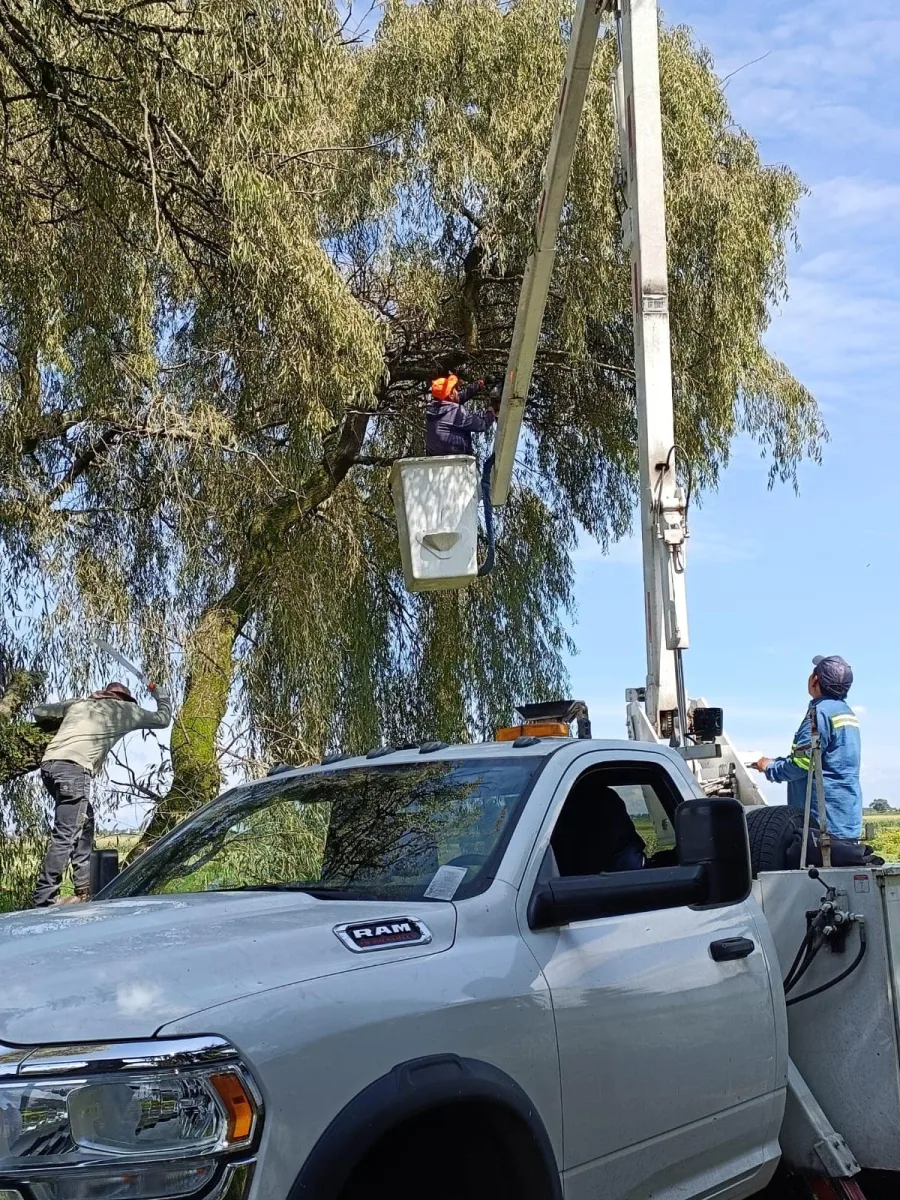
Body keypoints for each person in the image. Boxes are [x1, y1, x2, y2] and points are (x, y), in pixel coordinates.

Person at [32, 679, 172, 907]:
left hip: (49, 768)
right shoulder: (126, 710)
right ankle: (43, 899)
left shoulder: (78, 704)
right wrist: (161, 695)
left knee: (84, 821)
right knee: (65, 834)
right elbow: (162, 719)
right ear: (124, 699)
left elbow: (39, 711)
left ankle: (84, 889)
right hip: (75, 770)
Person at [750, 656, 868, 864]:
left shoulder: (819, 714)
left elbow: (802, 764)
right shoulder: (844, 712)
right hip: (845, 816)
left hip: (822, 823)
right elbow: (825, 760)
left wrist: (770, 768)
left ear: (815, 680)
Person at [426, 375, 497, 457]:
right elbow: (482, 424)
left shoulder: (432, 409)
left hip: (436, 458)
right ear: (451, 394)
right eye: (454, 389)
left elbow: (457, 398)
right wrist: (491, 413)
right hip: (459, 461)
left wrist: (478, 385)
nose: (456, 391)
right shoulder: (457, 413)